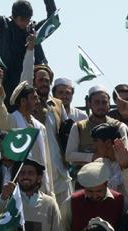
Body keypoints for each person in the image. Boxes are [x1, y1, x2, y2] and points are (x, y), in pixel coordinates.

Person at [0, 0, 56, 141]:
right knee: (0, 126)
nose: (25, 23)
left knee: (27, 128)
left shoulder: (32, 30)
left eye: (28, 20)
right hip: (3, 83)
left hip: (25, 86)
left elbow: (53, 20)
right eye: (22, 20)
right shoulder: (2, 25)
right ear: (13, 16)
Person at [20, 41, 73, 206]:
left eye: (47, 80)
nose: (44, 83)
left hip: (60, 172)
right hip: (39, 171)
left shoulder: (57, 104)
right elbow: (25, 78)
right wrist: (30, 50)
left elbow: (66, 133)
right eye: (41, 79)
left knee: (64, 222)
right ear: (34, 81)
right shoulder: (30, 104)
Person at [0, 65, 53, 194]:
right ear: (23, 101)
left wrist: (50, 189)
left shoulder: (40, 126)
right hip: (20, 186)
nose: (37, 101)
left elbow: (46, 162)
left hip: (40, 186)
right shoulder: (12, 121)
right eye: (34, 98)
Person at [61, 161, 124, 231]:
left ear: (106, 184)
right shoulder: (71, 202)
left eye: (99, 191)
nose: (94, 196)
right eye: (90, 191)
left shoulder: (119, 201)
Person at [65, 85, 128, 166]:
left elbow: (126, 154)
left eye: (104, 102)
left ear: (109, 105)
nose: (101, 106)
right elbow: (69, 155)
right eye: (97, 102)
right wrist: (94, 157)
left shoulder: (118, 127)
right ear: (89, 104)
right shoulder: (78, 127)